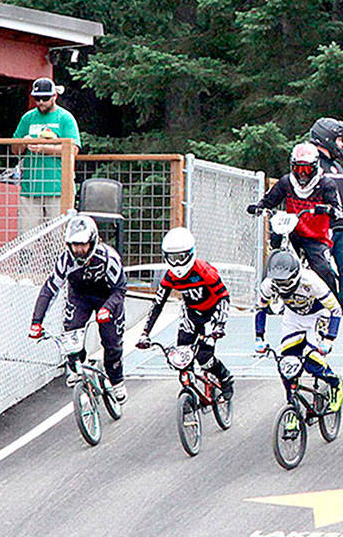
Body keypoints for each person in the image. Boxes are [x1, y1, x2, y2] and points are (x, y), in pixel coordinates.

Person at [29, 213, 127, 402]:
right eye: (75, 245)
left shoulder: (108, 257)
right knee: (71, 332)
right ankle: (77, 366)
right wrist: (36, 322)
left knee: (112, 342)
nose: (79, 250)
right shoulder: (65, 260)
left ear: (92, 242)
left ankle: (117, 382)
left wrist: (107, 308)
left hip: (108, 297)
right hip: (80, 297)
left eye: (83, 245)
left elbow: (120, 290)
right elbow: (49, 289)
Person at [135, 227, 234, 400]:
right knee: (181, 358)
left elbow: (224, 297)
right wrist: (145, 334)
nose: (178, 263)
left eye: (182, 257)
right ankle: (190, 397)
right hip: (191, 315)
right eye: (173, 258)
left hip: (210, 315)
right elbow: (158, 304)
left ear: (190, 253)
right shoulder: (170, 277)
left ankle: (225, 378)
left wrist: (220, 325)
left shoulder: (204, 271)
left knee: (204, 358)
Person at [247, 142, 342, 297]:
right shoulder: (286, 182)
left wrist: (326, 209)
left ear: (315, 166)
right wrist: (259, 207)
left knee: (321, 267)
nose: (302, 173)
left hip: (316, 237)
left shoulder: (326, 184)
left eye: (307, 169)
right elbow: (269, 200)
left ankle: (334, 302)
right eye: (298, 168)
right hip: (293, 232)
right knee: (276, 242)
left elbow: (338, 211)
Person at [254, 250, 343, 411]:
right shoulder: (268, 285)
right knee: (286, 364)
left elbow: (336, 309)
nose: (281, 287)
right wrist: (259, 337)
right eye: (278, 282)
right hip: (293, 317)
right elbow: (261, 308)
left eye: (285, 282)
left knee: (312, 362)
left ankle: (335, 383)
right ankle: (292, 406)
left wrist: (329, 339)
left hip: (318, 315)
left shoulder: (311, 281)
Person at [309, 116, 343, 314]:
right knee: (324, 273)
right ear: (327, 139)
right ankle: (327, 311)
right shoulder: (312, 165)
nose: (342, 145)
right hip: (323, 229)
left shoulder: (338, 167)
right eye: (339, 140)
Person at [14, 77, 81, 235]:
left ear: (54, 97)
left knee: (58, 236)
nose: (41, 102)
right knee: (26, 236)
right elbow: (15, 149)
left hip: (58, 188)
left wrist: (44, 147)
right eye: (37, 98)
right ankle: (28, 259)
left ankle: (58, 260)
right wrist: (23, 142)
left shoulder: (65, 118)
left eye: (45, 98)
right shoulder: (27, 118)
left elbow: (73, 149)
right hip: (30, 188)